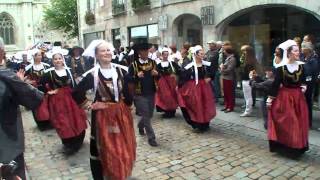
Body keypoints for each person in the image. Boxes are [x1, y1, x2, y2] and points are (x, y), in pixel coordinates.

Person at [74, 40, 136, 180]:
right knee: (103, 145)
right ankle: (102, 175)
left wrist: (127, 104)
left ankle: (119, 171)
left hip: (120, 114)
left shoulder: (121, 70)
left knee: (121, 143)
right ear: (96, 55)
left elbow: (128, 90)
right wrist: (89, 104)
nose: (107, 53)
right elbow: (76, 93)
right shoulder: (92, 74)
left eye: (108, 50)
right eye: (103, 51)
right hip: (101, 115)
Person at [0, 37, 44, 180]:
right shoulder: (7, 77)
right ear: (2, 53)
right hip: (7, 143)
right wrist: (19, 82)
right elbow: (35, 98)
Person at [40, 48, 87, 154]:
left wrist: (80, 98)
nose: (57, 60)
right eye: (55, 59)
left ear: (63, 59)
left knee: (76, 119)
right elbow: (41, 86)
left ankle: (78, 139)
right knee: (62, 121)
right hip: (57, 101)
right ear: (52, 61)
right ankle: (68, 142)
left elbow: (75, 86)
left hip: (71, 99)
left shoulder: (69, 71)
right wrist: (49, 92)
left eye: (59, 58)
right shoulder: (49, 73)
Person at [267, 40, 309, 156]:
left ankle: (297, 148)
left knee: (299, 123)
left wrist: (304, 86)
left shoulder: (302, 66)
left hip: (298, 98)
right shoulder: (281, 68)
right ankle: (287, 147)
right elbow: (276, 84)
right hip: (285, 98)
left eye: (298, 50)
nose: (298, 53)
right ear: (289, 53)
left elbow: (304, 80)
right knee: (290, 122)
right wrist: (270, 99)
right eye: (295, 51)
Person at [178, 45, 216, 132]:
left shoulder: (206, 64)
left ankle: (205, 123)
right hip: (193, 87)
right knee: (196, 105)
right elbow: (183, 76)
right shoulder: (190, 66)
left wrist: (210, 78)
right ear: (195, 54)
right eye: (201, 54)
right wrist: (181, 86)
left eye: (203, 54)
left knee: (205, 104)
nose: (203, 55)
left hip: (204, 87)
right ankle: (197, 123)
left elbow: (213, 71)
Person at [127, 43, 159, 147]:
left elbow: (159, 76)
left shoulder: (153, 63)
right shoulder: (134, 65)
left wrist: (157, 74)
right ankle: (151, 138)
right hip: (139, 94)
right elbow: (128, 80)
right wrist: (136, 76)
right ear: (139, 53)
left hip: (151, 92)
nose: (146, 52)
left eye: (147, 50)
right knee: (146, 115)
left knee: (149, 115)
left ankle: (140, 125)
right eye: (143, 51)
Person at [24, 49, 51, 130]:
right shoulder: (29, 68)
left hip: (46, 89)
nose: (40, 57)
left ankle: (50, 122)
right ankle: (41, 124)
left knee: (48, 106)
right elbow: (24, 79)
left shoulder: (46, 66)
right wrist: (29, 81)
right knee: (37, 107)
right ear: (33, 56)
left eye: (40, 55)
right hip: (35, 90)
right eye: (38, 55)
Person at [155, 47, 180, 118]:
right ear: (162, 55)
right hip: (163, 82)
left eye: (167, 54)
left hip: (171, 82)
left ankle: (172, 111)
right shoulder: (159, 64)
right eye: (164, 55)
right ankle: (167, 111)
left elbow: (178, 70)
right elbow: (157, 74)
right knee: (166, 96)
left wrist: (175, 75)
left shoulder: (172, 63)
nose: (166, 56)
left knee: (172, 95)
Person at [301, 41, 320, 128]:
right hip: (303, 83)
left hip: (309, 84)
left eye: (302, 47)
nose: (301, 49)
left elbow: (312, 73)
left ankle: (308, 123)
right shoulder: (303, 57)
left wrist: (307, 83)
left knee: (308, 102)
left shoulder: (313, 59)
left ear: (307, 49)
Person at [239, 45, 258, 117]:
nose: (243, 52)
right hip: (245, 79)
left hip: (247, 80)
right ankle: (248, 109)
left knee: (248, 96)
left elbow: (251, 72)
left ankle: (248, 111)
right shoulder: (246, 59)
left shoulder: (250, 61)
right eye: (242, 51)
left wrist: (251, 79)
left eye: (244, 51)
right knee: (247, 96)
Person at [220, 45, 236, 113]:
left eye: (224, 50)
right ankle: (227, 106)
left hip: (229, 78)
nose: (223, 52)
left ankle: (230, 107)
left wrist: (222, 69)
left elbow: (229, 69)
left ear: (227, 51)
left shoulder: (232, 59)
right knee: (226, 93)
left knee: (229, 93)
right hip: (225, 77)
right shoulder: (228, 58)